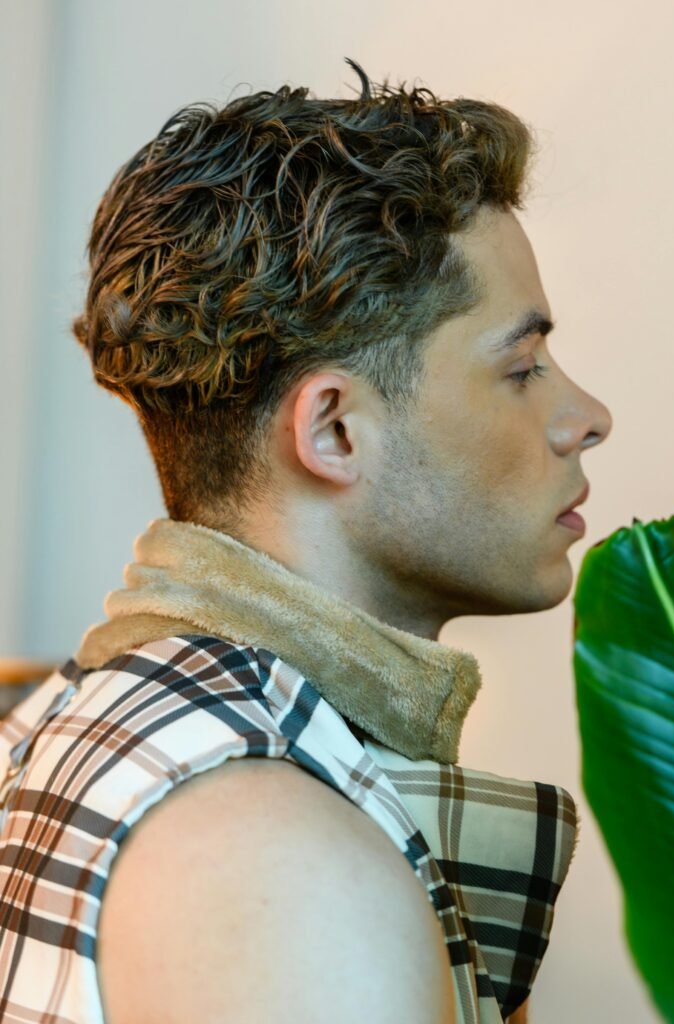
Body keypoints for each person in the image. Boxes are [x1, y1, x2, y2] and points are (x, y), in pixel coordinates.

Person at [0, 58, 612, 1023]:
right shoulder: (286, 875)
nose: (586, 417)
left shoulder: (76, 716)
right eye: (522, 366)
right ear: (333, 430)